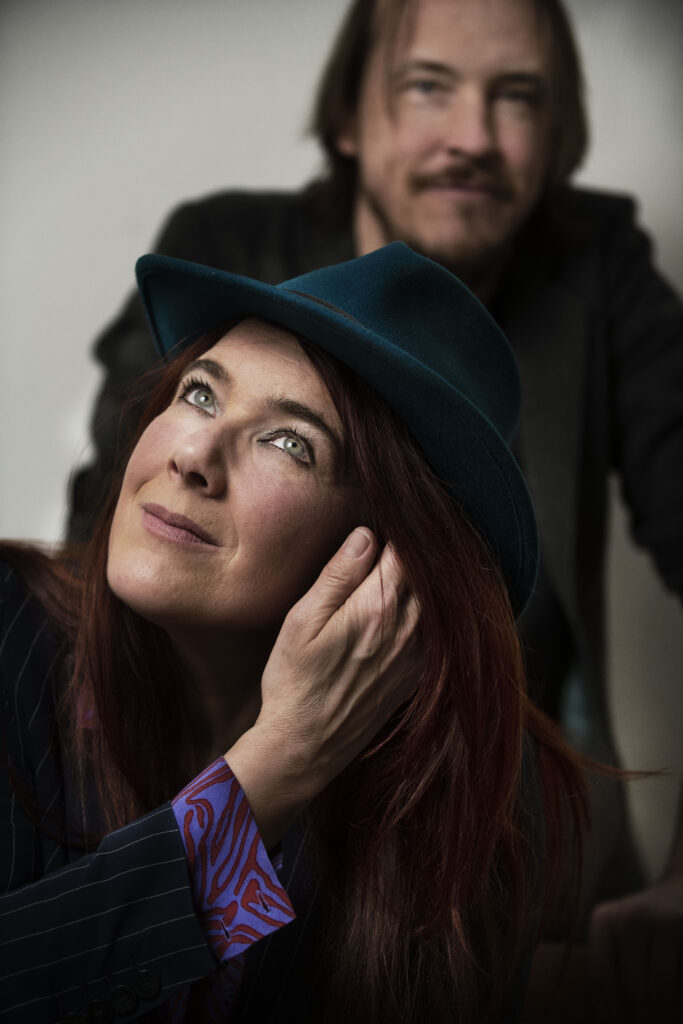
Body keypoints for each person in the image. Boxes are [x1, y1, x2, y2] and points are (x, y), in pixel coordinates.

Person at [67, 0, 683, 1018]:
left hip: (487, 852)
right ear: (348, 116)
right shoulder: (231, 245)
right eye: (426, 86)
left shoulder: (600, 273)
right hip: (198, 791)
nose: (472, 136)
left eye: (516, 97)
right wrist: (260, 771)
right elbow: (122, 542)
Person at [1, 243, 585, 1023]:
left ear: (394, 561)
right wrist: (276, 768)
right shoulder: (8, 626)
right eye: (200, 394)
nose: (192, 455)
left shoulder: (469, 783)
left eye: (289, 442)